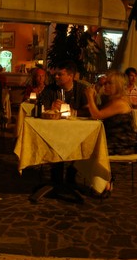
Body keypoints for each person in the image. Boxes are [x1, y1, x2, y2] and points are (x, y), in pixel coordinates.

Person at [32, 60, 93, 203]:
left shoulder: (81, 90)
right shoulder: (50, 90)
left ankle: (70, 178)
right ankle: (56, 179)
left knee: (80, 143)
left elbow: (90, 111)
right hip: (53, 133)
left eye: (60, 74)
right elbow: (38, 109)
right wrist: (50, 106)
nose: (56, 77)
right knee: (56, 143)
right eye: (56, 74)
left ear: (71, 76)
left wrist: (74, 111)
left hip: (77, 133)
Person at [84, 71, 137, 157]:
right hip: (112, 140)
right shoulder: (112, 100)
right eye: (105, 83)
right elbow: (96, 113)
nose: (105, 85)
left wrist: (90, 97)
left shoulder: (120, 103)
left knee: (85, 146)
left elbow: (97, 115)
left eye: (109, 83)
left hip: (120, 145)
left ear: (118, 85)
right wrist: (94, 98)